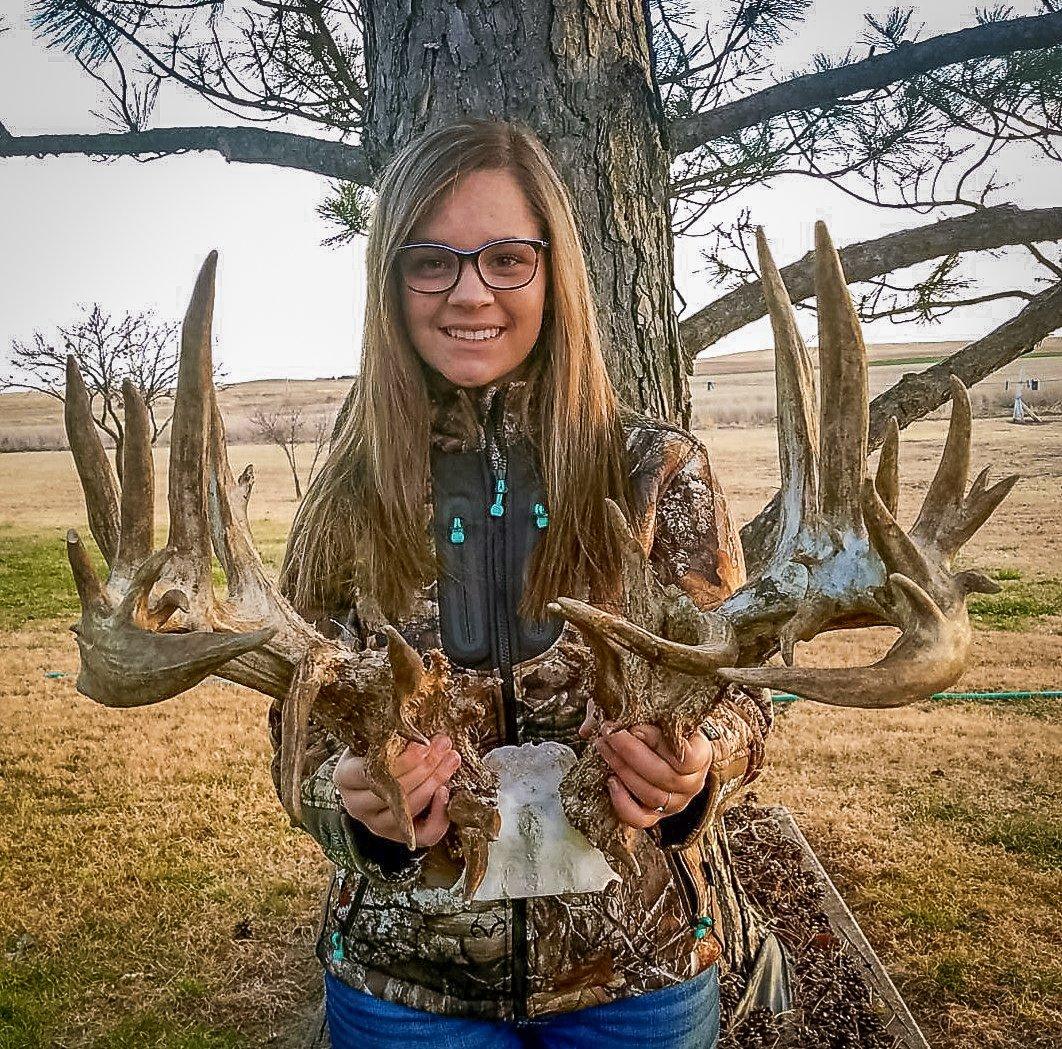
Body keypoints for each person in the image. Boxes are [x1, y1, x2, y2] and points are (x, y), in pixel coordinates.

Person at [274, 119, 771, 1049]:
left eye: (506, 258)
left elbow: (741, 694)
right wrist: (351, 802)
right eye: (432, 262)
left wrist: (700, 766)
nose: (470, 292)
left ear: (554, 273)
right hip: (406, 991)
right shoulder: (346, 496)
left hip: (639, 977)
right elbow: (294, 731)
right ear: (391, 281)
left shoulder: (658, 472)